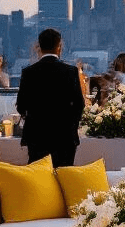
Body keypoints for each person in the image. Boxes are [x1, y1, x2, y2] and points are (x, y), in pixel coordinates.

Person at [16, 28, 86, 167]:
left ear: (39, 47)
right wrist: (71, 125)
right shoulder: (71, 71)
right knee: (63, 179)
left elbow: (21, 105)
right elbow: (79, 104)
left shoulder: (29, 72)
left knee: (39, 179)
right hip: (64, 136)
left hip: (36, 136)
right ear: (59, 47)